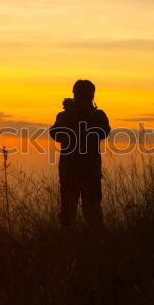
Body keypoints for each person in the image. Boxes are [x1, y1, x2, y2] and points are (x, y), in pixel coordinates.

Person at [50, 79, 111, 227]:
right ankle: (96, 244)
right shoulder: (98, 116)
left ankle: (67, 244)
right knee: (93, 211)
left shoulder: (64, 116)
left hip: (69, 169)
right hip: (91, 169)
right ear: (92, 95)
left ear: (75, 94)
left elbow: (55, 134)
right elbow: (105, 132)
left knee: (68, 212)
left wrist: (70, 112)